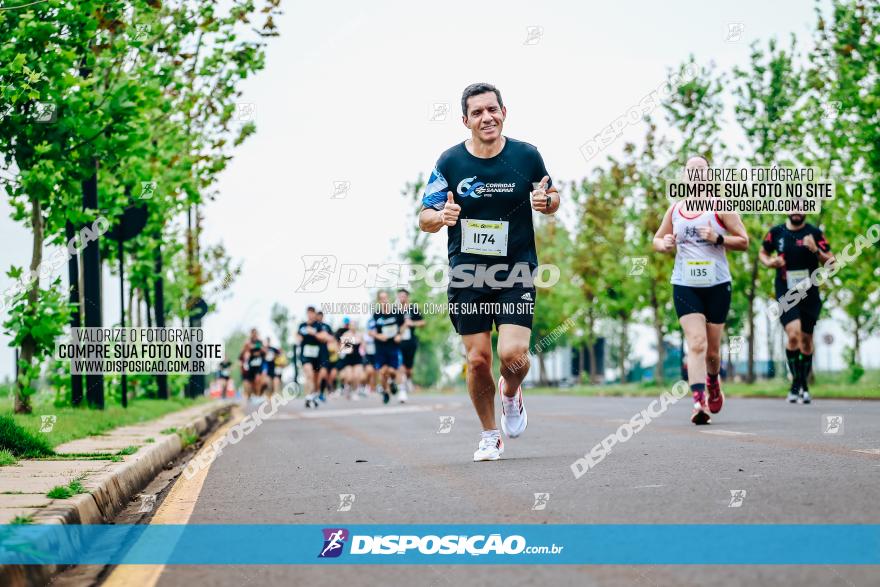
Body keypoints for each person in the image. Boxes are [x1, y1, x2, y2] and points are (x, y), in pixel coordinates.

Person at [418, 82, 558, 460]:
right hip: (468, 273)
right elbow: (424, 216)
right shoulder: (449, 162)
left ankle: (510, 394)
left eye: (492, 109)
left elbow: (552, 195)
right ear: (465, 120)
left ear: (504, 112)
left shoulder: (526, 155)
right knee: (477, 359)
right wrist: (440, 216)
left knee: (514, 355)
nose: (486, 117)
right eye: (477, 112)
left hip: (515, 268)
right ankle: (488, 434)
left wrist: (546, 202)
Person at [653, 155, 749, 425]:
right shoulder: (675, 210)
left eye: (701, 170)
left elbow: (744, 241)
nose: (696, 174)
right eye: (690, 170)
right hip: (685, 284)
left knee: (712, 353)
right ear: (684, 177)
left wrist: (718, 238)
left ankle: (713, 380)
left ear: (708, 176)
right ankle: (698, 403)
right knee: (696, 343)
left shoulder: (721, 207)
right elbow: (657, 239)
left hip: (717, 285)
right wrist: (665, 243)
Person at [760, 213, 834, 404]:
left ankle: (803, 385)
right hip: (786, 290)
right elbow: (763, 253)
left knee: (807, 341)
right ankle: (797, 385)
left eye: (801, 207)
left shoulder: (814, 233)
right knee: (793, 335)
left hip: (809, 292)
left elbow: (832, 263)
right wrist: (770, 262)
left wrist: (816, 250)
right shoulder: (776, 232)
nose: (797, 211)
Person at [368, 291, 404, 404]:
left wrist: (399, 335)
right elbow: (370, 331)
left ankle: (392, 381)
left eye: (386, 298)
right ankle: (385, 391)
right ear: (379, 301)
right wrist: (378, 335)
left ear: (388, 299)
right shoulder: (376, 315)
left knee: (392, 371)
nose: (384, 301)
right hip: (381, 347)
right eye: (382, 299)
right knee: (383, 372)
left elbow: (403, 326)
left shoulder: (396, 312)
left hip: (393, 346)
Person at [297, 307, 332, 408]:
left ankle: (313, 395)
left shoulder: (319, 325)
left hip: (317, 355)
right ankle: (308, 396)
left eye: (312, 313)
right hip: (306, 354)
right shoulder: (302, 326)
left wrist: (313, 333)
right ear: (307, 314)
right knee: (309, 374)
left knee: (316, 378)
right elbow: (298, 337)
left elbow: (325, 337)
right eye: (309, 313)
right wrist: (299, 338)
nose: (310, 315)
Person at [396, 288, 425, 400]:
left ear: (407, 297)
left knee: (409, 370)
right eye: (400, 296)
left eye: (404, 296)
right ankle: (402, 390)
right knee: (400, 366)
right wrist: (402, 328)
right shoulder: (395, 311)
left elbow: (423, 322)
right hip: (399, 342)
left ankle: (408, 379)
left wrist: (412, 323)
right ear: (398, 297)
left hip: (411, 342)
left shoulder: (413, 309)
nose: (402, 298)